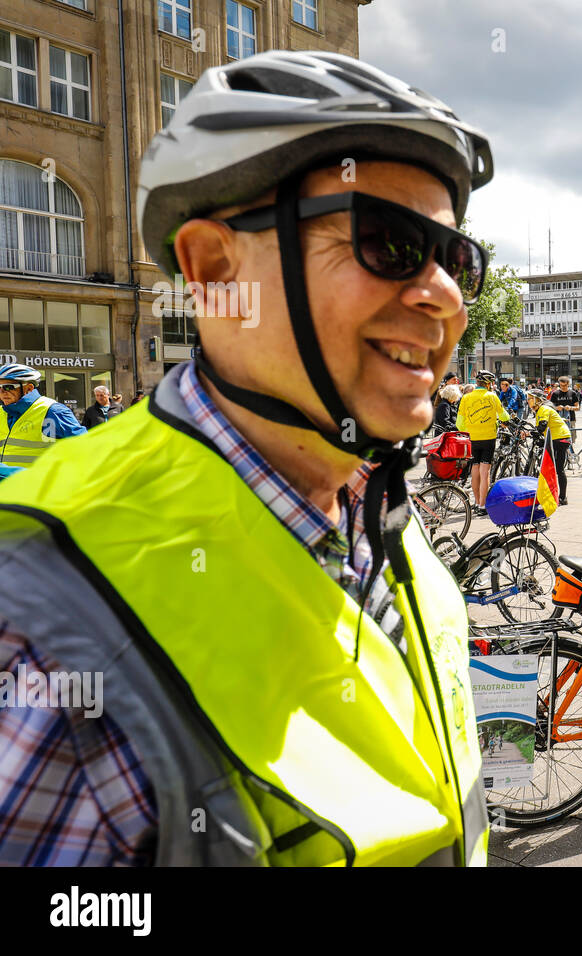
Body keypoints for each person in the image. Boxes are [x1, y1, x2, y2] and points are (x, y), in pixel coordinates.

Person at [0, 51, 494, 866]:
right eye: (389, 241)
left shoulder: (389, 528)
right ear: (215, 270)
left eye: (458, 259)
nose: (445, 295)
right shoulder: (44, 622)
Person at [0, 363, 87, 468]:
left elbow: (85, 448)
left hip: (39, 483)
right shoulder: (2, 412)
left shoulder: (52, 411)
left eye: (8, 387)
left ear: (29, 388)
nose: (2, 392)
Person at [458, 370, 511, 514]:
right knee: (485, 472)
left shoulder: (466, 398)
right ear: (488, 384)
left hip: (472, 438)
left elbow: (459, 424)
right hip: (488, 437)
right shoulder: (492, 396)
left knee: (474, 469)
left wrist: (470, 428)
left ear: (477, 383)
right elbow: (504, 416)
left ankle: (476, 503)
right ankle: (483, 505)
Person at [526, 388, 571, 505]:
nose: (528, 401)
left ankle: (562, 497)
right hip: (552, 438)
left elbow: (542, 426)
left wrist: (529, 433)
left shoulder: (544, 409)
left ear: (537, 399)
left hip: (560, 438)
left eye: (530, 399)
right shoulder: (539, 410)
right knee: (551, 467)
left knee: (559, 469)